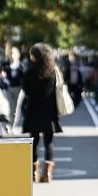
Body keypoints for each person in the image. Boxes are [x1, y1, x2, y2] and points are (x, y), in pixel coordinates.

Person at [20, 43, 61, 183]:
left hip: (33, 110)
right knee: (48, 141)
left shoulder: (30, 72)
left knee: (34, 140)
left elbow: (25, 89)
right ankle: (47, 174)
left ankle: (34, 173)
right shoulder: (53, 71)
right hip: (49, 111)